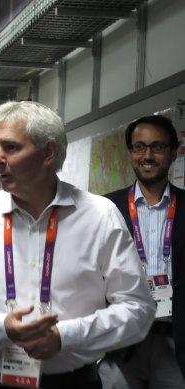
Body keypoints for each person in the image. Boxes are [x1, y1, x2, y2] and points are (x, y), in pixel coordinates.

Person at [0, 101, 156, 389]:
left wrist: (64, 337)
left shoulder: (99, 217)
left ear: (48, 152)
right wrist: (2, 329)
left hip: (73, 383)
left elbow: (138, 309)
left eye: (11, 148)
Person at [104, 114, 185, 388]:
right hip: (121, 343)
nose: (147, 155)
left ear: (173, 153)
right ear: (130, 154)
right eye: (139, 147)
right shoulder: (105, 209)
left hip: (176, 340)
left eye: (157, 147)